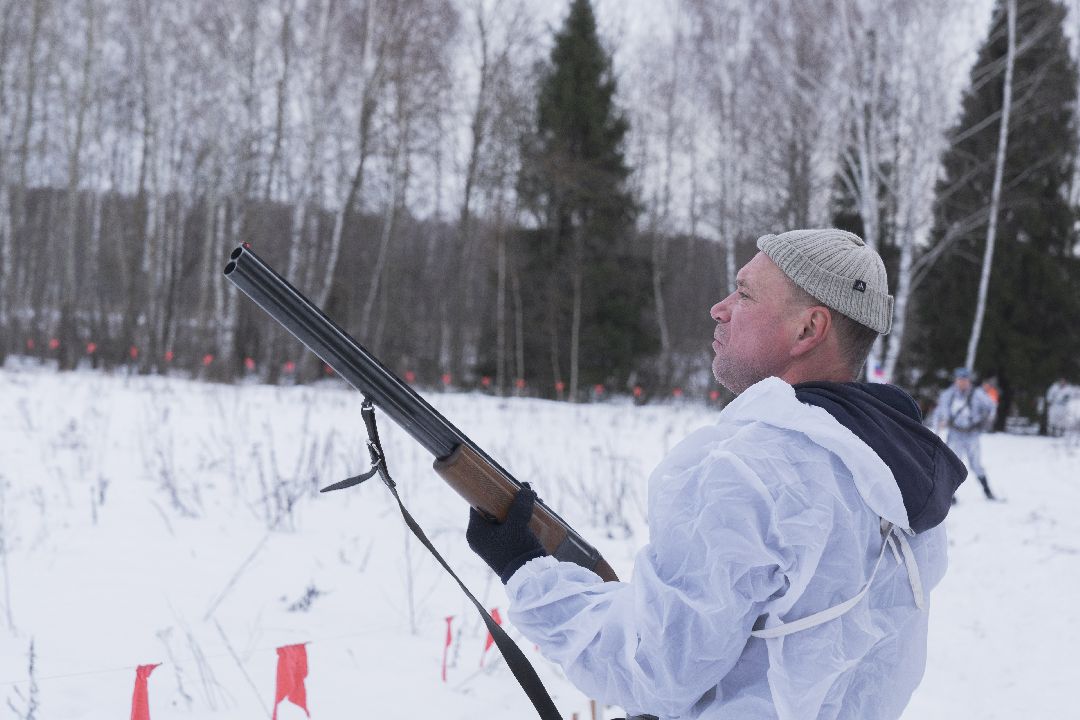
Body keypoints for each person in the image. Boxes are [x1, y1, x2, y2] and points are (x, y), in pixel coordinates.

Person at [466, 228, 966, 720]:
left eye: (745, 294)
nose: (719, 308)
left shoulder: (749, 468)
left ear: (808, 329)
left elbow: (652, 667)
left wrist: (525, 569)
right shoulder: (899, 476)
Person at [929, 368, 998, 500]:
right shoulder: (948, 395)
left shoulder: (978, 394)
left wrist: (988, 419)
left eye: (965, 380)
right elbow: (939, 413)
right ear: (956, 380)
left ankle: (987, 491)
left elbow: (991, 406)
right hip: (955, 434)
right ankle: (950, 495)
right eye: (960, 380)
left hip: (972, 435)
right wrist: (937, 428)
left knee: (976, 465)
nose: (963, 382)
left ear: (969, 381)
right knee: (952, 464)